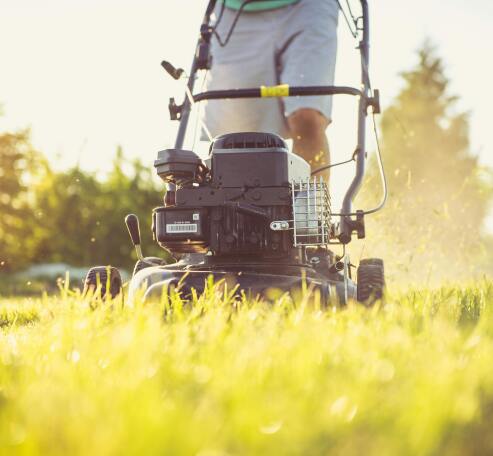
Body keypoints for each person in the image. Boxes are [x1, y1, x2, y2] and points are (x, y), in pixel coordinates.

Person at [203, 0, 339, 179]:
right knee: (236, 140)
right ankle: (240, 206)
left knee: (308, 116)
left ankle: (309, 205)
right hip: (235, 13)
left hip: (309, 7)